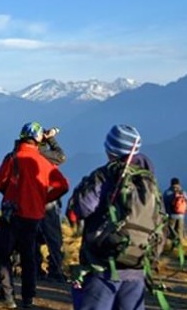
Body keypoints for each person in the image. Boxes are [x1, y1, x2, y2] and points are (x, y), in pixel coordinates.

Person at [69, 124, 160, 310]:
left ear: (111, 149)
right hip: (137, 264)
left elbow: (81, 208)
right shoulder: (148, 181)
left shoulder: (104, 176)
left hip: (103, 265)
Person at [0, 122, 69, 309]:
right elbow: (63, 185)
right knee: (29, 256)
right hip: (34, 215)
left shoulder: (12, 158)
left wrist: (12, 192)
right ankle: (28, 299)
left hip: (12, 215)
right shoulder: (43, 160)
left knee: (3, 255)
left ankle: (7, 296)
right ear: (38, 139)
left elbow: (0, 182)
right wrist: (43, 197)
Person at [34, 127, 68, 282]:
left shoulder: (22, 153)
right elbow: (61, 156)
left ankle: (35, 268)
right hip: (48, 199)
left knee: (32, 236)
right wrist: (51, 139)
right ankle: (55, 269)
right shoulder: (43, 154)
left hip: (29, 199)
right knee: (53, 238)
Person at [164, 177, 185, 247]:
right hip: (181, 216)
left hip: (171, 215)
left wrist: (166, 213)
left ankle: (168, 247)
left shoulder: (168, 192)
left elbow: (165, 203)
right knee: (179, 232)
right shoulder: (182, 192)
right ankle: (179, 248)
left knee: (170, 232)